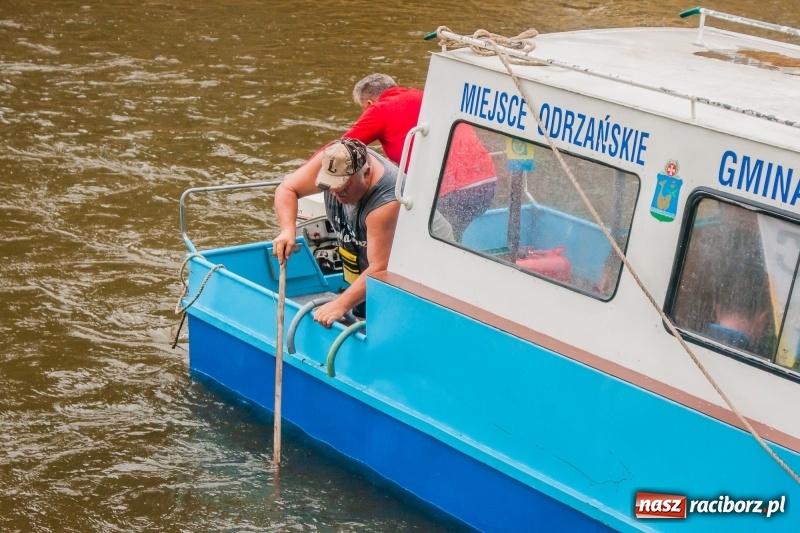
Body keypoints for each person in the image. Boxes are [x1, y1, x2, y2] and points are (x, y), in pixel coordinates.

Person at [344, 74, 497, 240]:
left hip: (453, 191)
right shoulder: (424, 96)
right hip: (487, 184)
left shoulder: (380, 109)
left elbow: (342, 149)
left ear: (369, 104)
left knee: (419, 237)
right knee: (451, 235)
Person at [273, 138, 399, 327]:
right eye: (328, 186)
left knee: (384, 317)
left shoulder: (385, 204)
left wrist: (340, 304)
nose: (335, 193)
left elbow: (380, 269)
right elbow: (287, 188)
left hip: (408, 266)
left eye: (344, 188)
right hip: (361, 251)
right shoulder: (333, 159)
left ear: (367, 174)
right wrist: (287, 230)